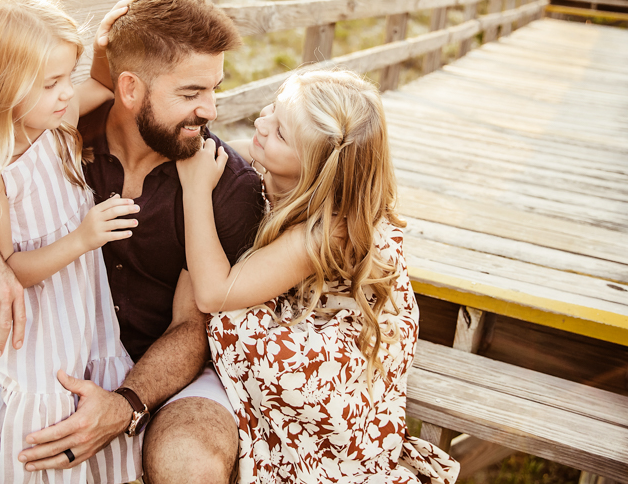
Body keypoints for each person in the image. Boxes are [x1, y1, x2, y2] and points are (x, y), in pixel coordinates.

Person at [0, 0, 265, 484]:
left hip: (171, 374)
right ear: (131, 88)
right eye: (190, 93)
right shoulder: (62, 129)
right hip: (54, 356)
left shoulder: (223, 183)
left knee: (187, 462)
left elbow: (192, 327)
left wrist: (124, 404)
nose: (211, 111)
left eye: (214, 88)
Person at [175, 70, 460, 483]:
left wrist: (195, 191)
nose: (261, 122)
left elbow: (214, 293)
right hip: (315, 306)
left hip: (344, 343)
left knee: (234, 321)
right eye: (271, 107)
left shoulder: (325, 232)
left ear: (317, 169)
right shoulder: (288, 167)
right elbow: (220, 153)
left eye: (280, 134)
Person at [0, 0, 142, 484]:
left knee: (79, 392)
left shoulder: (54, 120)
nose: (66, 92)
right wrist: (83, 239)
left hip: (73, 315)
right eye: (51, 82)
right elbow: (13, 272)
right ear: (1, 85)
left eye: (66, 76)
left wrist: (101, 52)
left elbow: (105, 86)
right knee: (39, 425)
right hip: (32, 328)